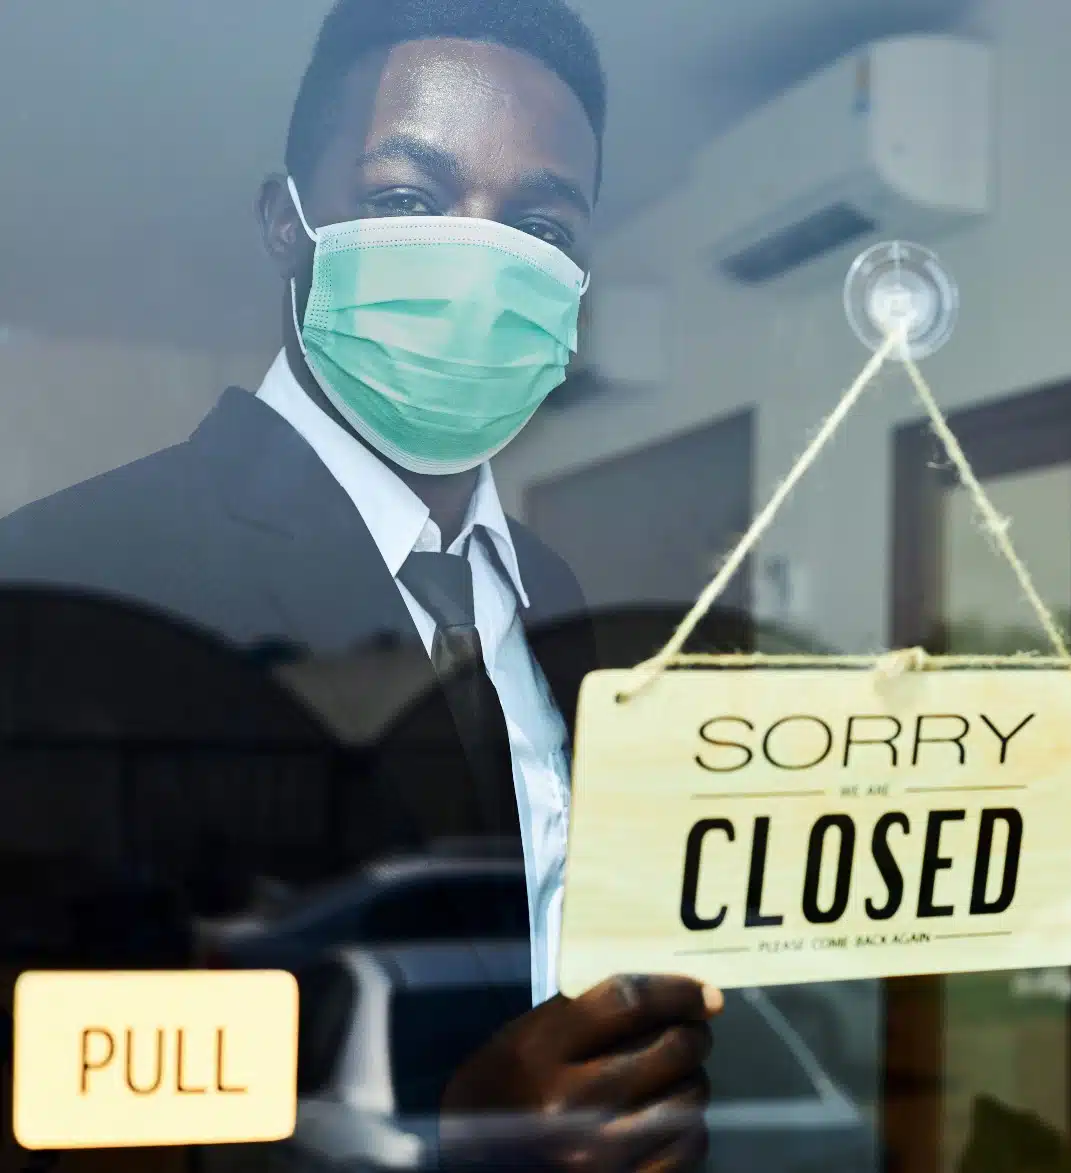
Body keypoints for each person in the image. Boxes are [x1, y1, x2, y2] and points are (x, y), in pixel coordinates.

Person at [0, 1, 716, 1169]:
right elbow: (58, 1097)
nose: (481, 265)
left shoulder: (548, 592)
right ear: (287, 224)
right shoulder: (69, 588)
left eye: (540, 225)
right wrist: (455, 1151)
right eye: (407, 200)